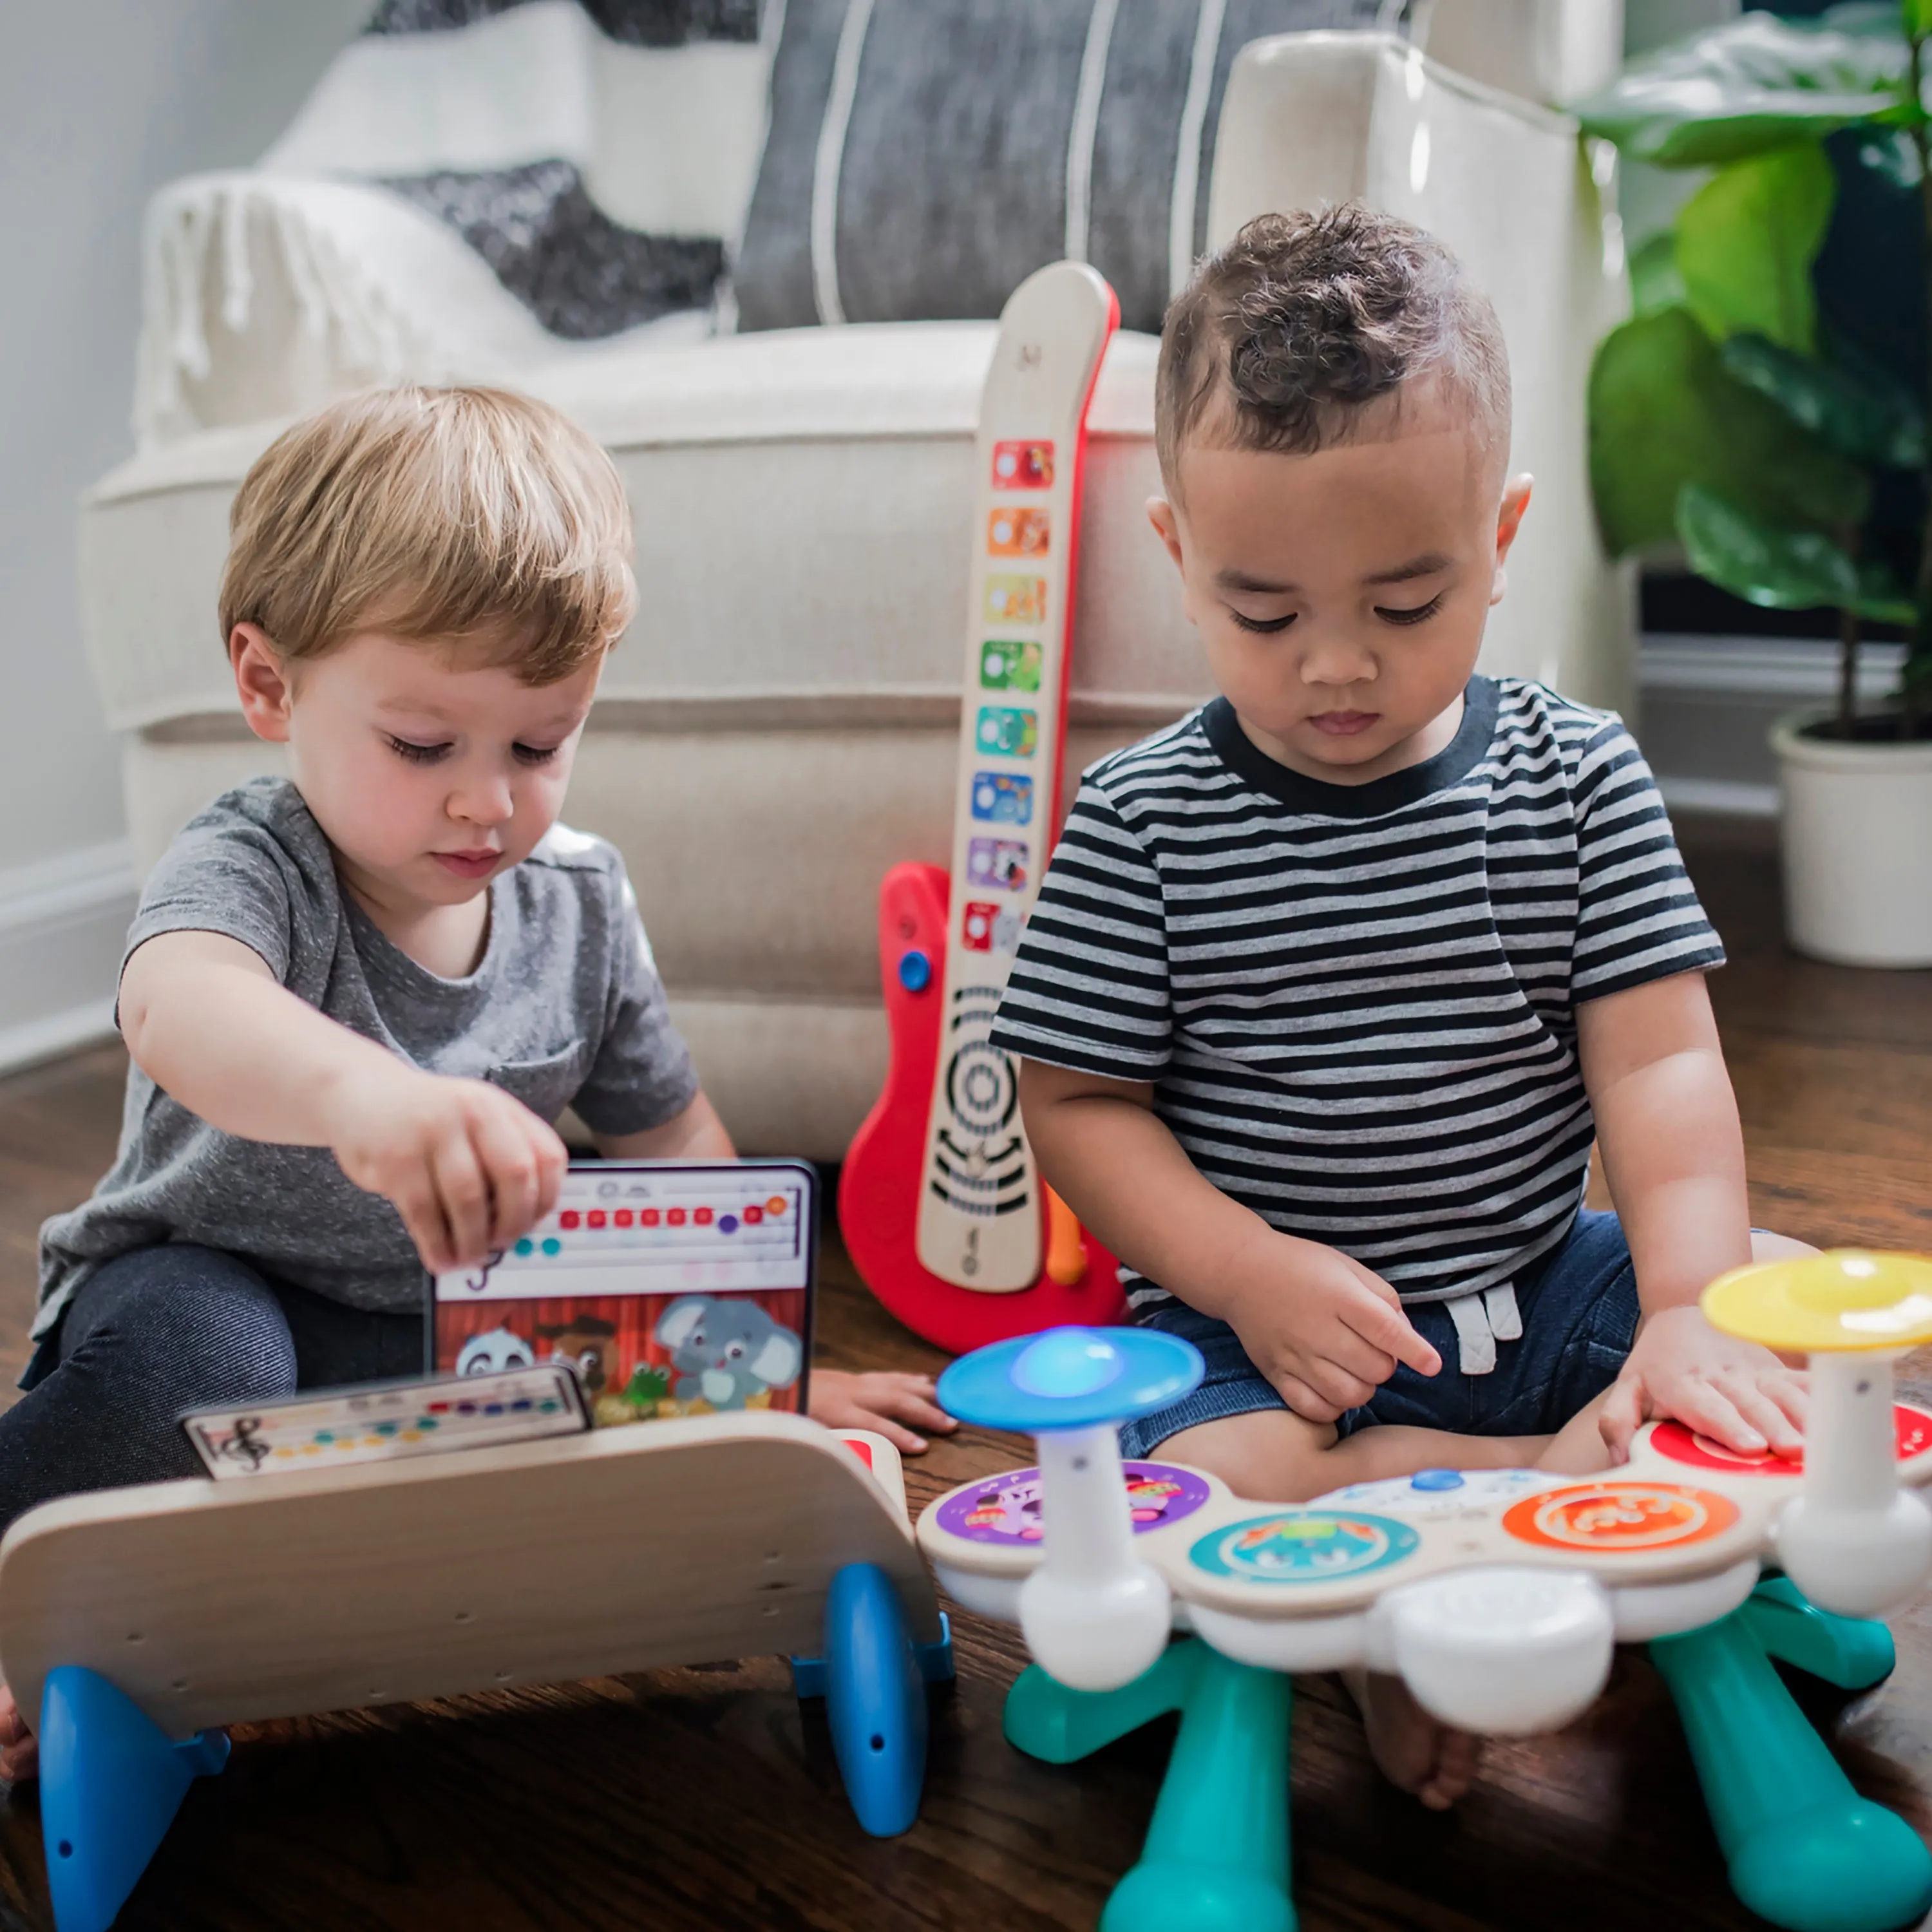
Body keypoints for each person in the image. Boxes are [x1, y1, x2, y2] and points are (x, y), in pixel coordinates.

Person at [0, 386, 950, 1780]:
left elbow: (674, 1137)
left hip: (445, 1338)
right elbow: (180, 1006)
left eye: (541, 744)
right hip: (210, 1288)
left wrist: (768, 1366)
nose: (487, 802)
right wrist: (367, 1100)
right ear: (268, 686)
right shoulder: (254, 862)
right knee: (209, 1363)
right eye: (426, 746)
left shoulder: (579, 900)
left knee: (616, 1388)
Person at [989, 207, 1810, 1810]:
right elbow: (1075, 1107)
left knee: (1778, 1313)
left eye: (1407, 603)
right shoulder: (1142, 822)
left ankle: (1417, 1546)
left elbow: (1661, 1075)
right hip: (1266, 1350)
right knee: (1180, 1487)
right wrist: (1251, 1274)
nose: (1338, 668)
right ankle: (1509, 1539)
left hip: (1533, 1287)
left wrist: (1685, 1302)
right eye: (1268, 613)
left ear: (1500, 540)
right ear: (1178, 558)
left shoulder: (1576, 780)